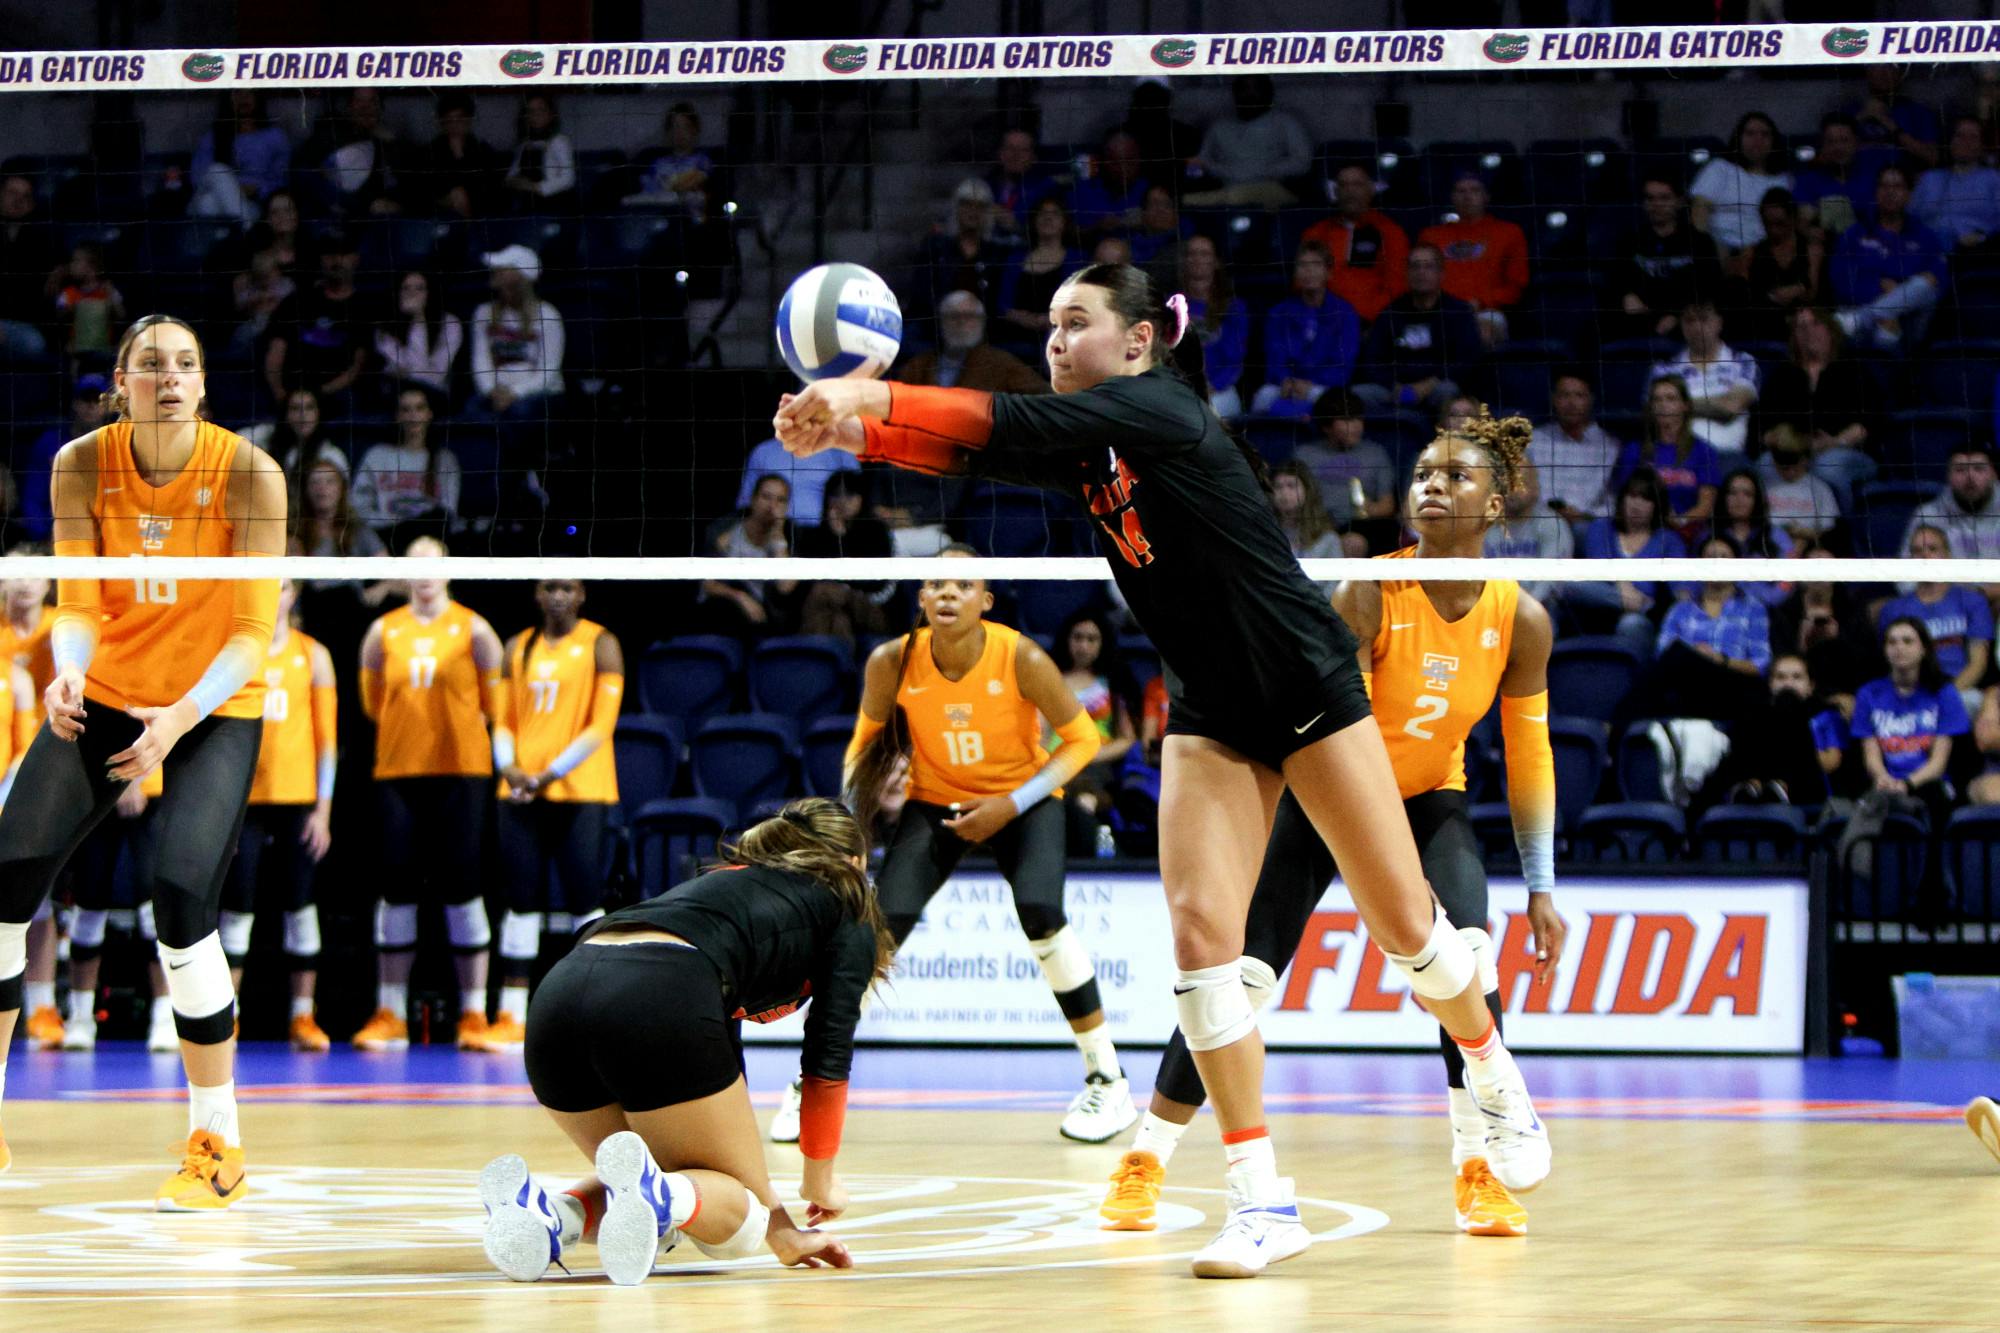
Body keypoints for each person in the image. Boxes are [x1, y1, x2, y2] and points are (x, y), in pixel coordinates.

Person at [773, 261, 1550, 1277]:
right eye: (1047, 323)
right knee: (1199, 950)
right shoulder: (1091, 443)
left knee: (1411, 934)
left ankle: (1491, 1070)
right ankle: (1260, 1199)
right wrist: (850, 433)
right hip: (1210, 704)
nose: (1054, 341)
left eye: (1076, 322)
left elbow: (990, 417)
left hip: (1304, 683)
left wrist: (867, 394)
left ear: (1139, 342)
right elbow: (973, 450)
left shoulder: (1159, 410)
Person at [1099, 410, 1563, 1240]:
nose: (1431, 485)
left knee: (1470, 962)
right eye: (1424, 471)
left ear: (1499, 507)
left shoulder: (1521, 618)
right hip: (1329, 796)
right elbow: (1326, 727)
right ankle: (1146, 1154)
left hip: (1429, 798)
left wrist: (1542, 886)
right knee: (1235, 978)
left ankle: (1477, 1170)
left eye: (1456, 476)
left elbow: (1530, 759)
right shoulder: (1370, 588)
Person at [0, 313, 287, 1203]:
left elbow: (251, 634)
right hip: (113, 692)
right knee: (4, 880)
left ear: (204, 385)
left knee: (179, 895)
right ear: (119, 382)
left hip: (212, 704)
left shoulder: (250, 473)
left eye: (187, 364)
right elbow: (80, 603)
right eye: (151, 364)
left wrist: (177, 719)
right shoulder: (79, 464)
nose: (171, 377)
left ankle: (218, 1140)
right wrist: (69, 676)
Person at [769, 548, 1132, 1145]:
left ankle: (1108, 1080)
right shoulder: (892, 661)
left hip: (1024, 800)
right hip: (935, 799)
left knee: (1043, 915)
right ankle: (811, 1084)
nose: (947, 593)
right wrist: (849, 834)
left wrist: (1009, 806)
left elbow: (1083, 741)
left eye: (964, 585)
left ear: (985, 601)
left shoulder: (1022, 655)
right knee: (873, 932)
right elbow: (863, 748)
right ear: (919, 596)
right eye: (936, 582)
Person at [476, 799, 879, 1284]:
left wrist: (785, 1232)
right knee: (737, 1225)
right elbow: (827, 1057)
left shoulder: (728, 885)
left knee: (671, 1176)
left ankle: (551, 1219)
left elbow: (722, 1047)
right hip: (659, 994)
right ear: (855, 863)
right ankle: (658, 1197)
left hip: (560, 995)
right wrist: (820, 1184)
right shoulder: (846, 904)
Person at [355, 536, 508, 1052]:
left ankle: (473, 1015)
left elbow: (494, 703)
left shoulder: (476, 629)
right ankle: (390, 1011)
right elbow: (374, 702)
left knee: (463, 886)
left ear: (449, 569)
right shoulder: (382, 632)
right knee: (396, 888)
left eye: (432, 563)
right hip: (398, 773)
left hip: (461, 772)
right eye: (414, 564)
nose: (424, 573)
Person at [492, 579, 623, 1049]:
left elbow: (600, 728)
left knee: (584, 900)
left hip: (581, 792)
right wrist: (508, 768)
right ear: (537, 594)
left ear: (583, 594)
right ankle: (511, 1015)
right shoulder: (517, 646)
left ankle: (592, 1011)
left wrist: (546, 775)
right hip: (521, 796)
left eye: (567, 588)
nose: (558, 596)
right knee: (521, 902)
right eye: (549, 588)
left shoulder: (601, 644)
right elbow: (502, 719)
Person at [219, 578, 335, 1051]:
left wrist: (323, 811)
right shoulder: (236, 649)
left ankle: (302, 1018)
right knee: (237, 910)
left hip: (297, 803)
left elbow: (327, 740)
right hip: (244, 804)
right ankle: (227, 1016)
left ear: (295, 593)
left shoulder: (314, 655)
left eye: (284, 585)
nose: (276, 591)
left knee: (300, 908)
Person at [1756, 306, 1878, 510]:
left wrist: (1836, 442)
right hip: (1790, 452)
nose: (1808, 331)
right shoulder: (1782, 376)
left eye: (1815, 324)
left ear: (1830, 330)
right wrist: (1789, 443)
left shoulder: (1853, 370)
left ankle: (1834, 533)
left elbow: (1871, 421)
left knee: (1828, 468)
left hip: (1844, 451)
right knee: (1765, 465)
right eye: (1800, 327)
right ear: (1794, 336)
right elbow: (1762, 426)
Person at [1854, 617, 1967, 833]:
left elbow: (1938, 763)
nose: (1899, 648)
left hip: (1929, 784)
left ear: (1924, 649)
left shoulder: (1944, 692)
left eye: (1907, 641)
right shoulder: (1868, 693)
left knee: (1931, 799)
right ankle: (1860, 867)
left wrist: (1907, 784)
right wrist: (1884, 779)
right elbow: (1871, 754)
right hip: (1885, 784)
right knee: (1872, 801)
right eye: (1892, 642)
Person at [1353, 244, 1482, 417]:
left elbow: (1467, 359)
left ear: (1441, 274)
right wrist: (1395, 386)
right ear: (1407, 273)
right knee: (1357, 395)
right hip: (1395, 388)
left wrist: (1430, 383)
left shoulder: (1458, 311)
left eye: (1428, 267)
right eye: (1415, 266)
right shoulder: (1391, 312)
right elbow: (1373, 360)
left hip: (1437, 386)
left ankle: (1446, 443)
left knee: (1448, 391)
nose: (1421, 272)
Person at [1830, 164, 1947, 351]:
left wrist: (1899, 293)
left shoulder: (1925, 236)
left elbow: (1937, 283)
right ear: (1876, 192)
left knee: (1928, 282)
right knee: (1885, 327)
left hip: (1910, 319)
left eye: (1897, 187)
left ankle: (1862, 319)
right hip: (1860, 307)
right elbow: (1840, 279)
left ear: (1909, 194)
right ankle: (1874, 318)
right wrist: (1878, 286)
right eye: (1884, 186)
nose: (1889, 192)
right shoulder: (1854, 234)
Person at [1576, 467, 1687, 658]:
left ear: (1656, 506)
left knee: (1631, 623)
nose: (1636, 504)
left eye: (1645, 498)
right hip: (1596, 606)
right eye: (1632, 495)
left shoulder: (1668, 540)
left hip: (1642, 618)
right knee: (1565, 585)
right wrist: (1623, 588)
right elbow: (1599, 567)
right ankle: (1641, 604)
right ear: (1622, 498)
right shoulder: (1601, 528)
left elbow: (1683, 588)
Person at [1878, 525, 1990, 714]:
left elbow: (1978, 663)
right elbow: (1889, 664)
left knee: (1973, 702)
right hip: (1910, 690)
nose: (1925, 556)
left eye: (1932, 549)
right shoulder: (1893, 609)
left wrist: (1946, 696)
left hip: (1958, 688)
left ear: (1947, 555)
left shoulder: (1972, 601)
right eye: (1917, 551)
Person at [1250, 241, 1361, 418]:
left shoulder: (1345, 313)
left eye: (1316, 265)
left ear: (1328, 272)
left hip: (1324, 387)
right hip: (1285, 385)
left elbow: (1343, 365)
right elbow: (1274, 357)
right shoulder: (1279, 313)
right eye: (1303, 265)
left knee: (1332, 404)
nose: (1309, 271)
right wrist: (1287, 381)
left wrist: (1310, 384)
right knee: (1263, 398)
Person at [1418, 173, 1530, 345]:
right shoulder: (1432, 235)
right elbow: (1417, 278)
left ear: (1486, 196)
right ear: (1452, 197)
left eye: (1474, 190)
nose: (1467, 196)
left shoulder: (1508, 233)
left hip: (1486, 311)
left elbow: (1516, 285)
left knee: (1478, 333)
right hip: (1437, 311)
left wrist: (1479, 302)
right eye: (1460, 191)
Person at [1610, 175, 1723, 340]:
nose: (1657, 205)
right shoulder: (1629, 242)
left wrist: (1678, 315)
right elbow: (1616, 280)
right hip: (1638, 321)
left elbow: (1709, 288)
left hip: (1686, 322)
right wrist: (1626, 295)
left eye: (1664, 198)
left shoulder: (1700, 242)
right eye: (1650, 198)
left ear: (1679, 201)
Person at [263, 232, 368, 408]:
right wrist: (280, 394)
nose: (337, 261)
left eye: (343, 254)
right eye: (330, 255)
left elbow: (357, 367)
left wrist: (317, 396)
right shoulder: (296, 301)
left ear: (355, 258)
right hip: (290, 395)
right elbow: (275, 353)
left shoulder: (364, 308)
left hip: (338, 396)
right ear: (322, 259)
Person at [1649, 298, 1760, 459]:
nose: (1697, 327)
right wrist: (1715, 403)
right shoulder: (1664, 369)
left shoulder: (1743, 362)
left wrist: (1677, 404)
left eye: (1703, 319)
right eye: (1690, 320)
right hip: (1679, 458)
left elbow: (1730, 407)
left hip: (1729, 458)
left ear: (1719, 322)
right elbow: (1655, 413)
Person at [1183, 74, 1315, 209]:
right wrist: (1204, 170)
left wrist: (1262, 170)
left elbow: (1303, 163)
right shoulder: (1219, 126)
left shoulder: (1286, 122)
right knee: (1187, 200)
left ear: (1268, 93)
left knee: (1237, 196)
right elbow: (1197, 164)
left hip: (1271, 188)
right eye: (1244, 89)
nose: (1249, 94)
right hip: (1227, 189)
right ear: (1235, 93)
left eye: (1256, 89)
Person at [351, 386, 462, 543]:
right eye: (406, 409)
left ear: (429, 414)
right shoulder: (377, 455)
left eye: (419, 408)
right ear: (397, 416)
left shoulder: (445, 461)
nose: (413, 415)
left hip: (427, 539)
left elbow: (447, 513)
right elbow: (358, 506)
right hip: (385, 536)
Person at [1292, 387, 1396, 553]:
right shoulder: (1305, 455)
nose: (1355, 426)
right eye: (1347, 420)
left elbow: (1387, 505)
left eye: (1358, 419)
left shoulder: (1375, 453)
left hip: (1363, 526)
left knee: (1353, 542)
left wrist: (1367, 510)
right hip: (1315, 525)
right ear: (1327, 426)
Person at [1302, 163, 1410, 322]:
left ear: (1371, 190)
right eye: (1343, 185)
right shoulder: (1316, 233)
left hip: (1374, 322)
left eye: (1357, 184)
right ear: (1336, 192)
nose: (1350, 191)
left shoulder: (1390, 232)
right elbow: (1302, 283)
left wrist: (1367, 318)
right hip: (1324, 321)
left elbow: (1398, 286)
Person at [470, 245, 566, 416]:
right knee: (471, 412)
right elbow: (480, 361)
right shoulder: (483, 312)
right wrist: (491, 391)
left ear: (519, 276)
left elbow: (548, 371)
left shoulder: (548, 315)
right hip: (496, 393)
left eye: (502, 268)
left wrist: (515, 393)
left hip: (537, 394)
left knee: (519, 413)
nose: (494, 270)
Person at [1616, 376, 1718, 532]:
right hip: (1643, 530)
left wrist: (1679, 522)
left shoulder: (1704, 451)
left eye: (1671, 399)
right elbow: (1624, 500)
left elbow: (1705, 505)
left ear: (1685, 406)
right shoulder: (1634, 450)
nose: (1663, 405)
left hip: (1687, 531)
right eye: (1657, 400)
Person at [902, 292, 1048, 397]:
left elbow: (1043, 396)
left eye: (970, 316)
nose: (962, 323)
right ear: (941, 322)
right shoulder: (918, 366)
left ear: (982, 322)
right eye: (953, 316)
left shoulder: (1002, 364)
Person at [699, 473, 793, 636]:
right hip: (724, 608)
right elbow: (708, 585)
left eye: (780, 500)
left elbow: (785, 587)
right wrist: (739, 597)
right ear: (753, 499)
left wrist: (778, 539)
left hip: (764, 619)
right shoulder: (725, 533)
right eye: (766, 497)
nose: (772, 506)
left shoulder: (790, 536)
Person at [1690, 111, 1791, 258]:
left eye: (1765, 134)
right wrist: (1705, 248)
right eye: (1750, 134)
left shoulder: (1783, 180)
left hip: (1763, 252)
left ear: (1773, 141)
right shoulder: (1719, 168)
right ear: (1739, 138)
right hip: (1719, 248)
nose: (1758, 139)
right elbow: (1699, 209)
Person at [1169, 236, 1249, 422]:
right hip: (1180, 389)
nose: (1197, 259)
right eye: (1192, 254)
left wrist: (1211, 386)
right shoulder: (1171, 304)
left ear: (1216, 262)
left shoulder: (1234, 307)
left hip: (1219, 390)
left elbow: (1236, 360)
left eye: (1204, 254)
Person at [1528, 370, 1619, 527]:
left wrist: (1585, 516)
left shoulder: (1609, 447)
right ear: (1554, 399)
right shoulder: (1534, 441)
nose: (1571, 403)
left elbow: (1615, 501)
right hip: (1539, 522)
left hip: (1586, 524)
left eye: (1579, 396)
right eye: (1564, 395)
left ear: (1591, 400)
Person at [189, 90, 290, 228]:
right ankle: (248, 237)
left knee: (208, 204)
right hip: (214, 194)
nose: (243, 98)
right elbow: (198, 177)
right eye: (237, 93)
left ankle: (238, 239)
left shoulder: (274, 137)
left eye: (248, 93)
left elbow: (281, 179)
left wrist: (257, 189)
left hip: (252, 203)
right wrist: (233, 187)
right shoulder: (213, 137)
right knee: (217, 171)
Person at [995, 197, 1083, 350]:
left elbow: (1078, 305)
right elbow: (1002, 305)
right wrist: (1020, 318)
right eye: (1042, 214)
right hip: (1012, 339)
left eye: (1055, 214)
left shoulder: (1076, 260)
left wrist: (1049, 320)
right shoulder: (1015, 259)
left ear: (1064, 222)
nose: (1048, 218)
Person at [918, 180, 1010, 318]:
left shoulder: (997, 253)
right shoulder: (935, 247)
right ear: (956, 208)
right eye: (967, 204)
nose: (973, 211)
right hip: (938, 325)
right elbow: (923, 295)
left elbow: (997, 303)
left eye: (980, 206)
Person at [1745, 188, 1822, 343]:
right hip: (1765, 321)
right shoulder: (1754, 252)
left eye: (1780, 224)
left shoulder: (1810, 249)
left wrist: (1795, 291)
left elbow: (1812, 292)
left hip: (1803, 319)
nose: (1773, 230)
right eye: (1768, 224)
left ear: (1793, 219)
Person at [1911, 116, 2000, 252]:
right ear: (1951, 141)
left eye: (1973, 137)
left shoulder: (1993, 179)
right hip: (1927, 250)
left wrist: (1982, 237)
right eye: (1960, 136)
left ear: (1982, 145)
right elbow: (1909, 217)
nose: (1966, 142)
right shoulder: (1929, 179)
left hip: (1975, 252)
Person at [374, 270, 464, 402]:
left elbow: (436, 375)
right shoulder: (384, 329)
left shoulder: (450, 324)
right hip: (396, 396)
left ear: (429, 293)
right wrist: (415, 320)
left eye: (419, 288)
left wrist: (418, 317)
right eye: (406, 288)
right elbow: (405, 373)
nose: (412, 293)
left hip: (436, 395)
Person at [1707, 467, 1793, 605]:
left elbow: (1789, 577)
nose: (1739, 499)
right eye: (1732, 493)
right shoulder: (1708, 537)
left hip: (1770, 609)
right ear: (1723, 497)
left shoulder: (1777, 537)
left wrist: (1771, 600)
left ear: (1757, 500)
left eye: (1747, 494)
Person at [1902, 445, 2000, 564]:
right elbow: (1906, 578)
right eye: (1960, 470)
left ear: (1994, 475)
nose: (1970, 477)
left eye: (1979, 468)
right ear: (1948, 476)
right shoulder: (1928, 516)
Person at [416, 91, 502, 220]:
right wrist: (446, 199)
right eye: (449, 120)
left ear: (469, 120)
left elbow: (492, 189)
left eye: (460, 119)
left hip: (479, 218)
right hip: (440, 218)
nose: (455, 125)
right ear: (441, 122)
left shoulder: (483, 151)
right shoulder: (429, 152)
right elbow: (422, 191)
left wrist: (467, 197)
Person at [0, 174, 55, 362]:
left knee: (33, 344)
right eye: (12, 193)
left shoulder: (43, 237)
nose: (18, 201)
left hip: (23, 325)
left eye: (25, 196)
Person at [1757, 423, 1843, 543]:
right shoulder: (1764, 485)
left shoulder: (1820, 489)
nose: (1790, 470)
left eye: (1794, 462)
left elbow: (1829, 530)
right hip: (1769, 545)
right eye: (1783, 464)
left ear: (1805, 459)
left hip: (1809, 546)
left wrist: (1804, 534)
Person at [1792, 113, 1867, 239]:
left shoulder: (1872, 178)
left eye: (1844, 140)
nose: (1838, 147)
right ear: (1822, 145)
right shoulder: (1807, 181)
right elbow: (1801, 225)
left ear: (1857, 143)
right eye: (1831, 141)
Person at [631, 102, 712, 211]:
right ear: (668, 132)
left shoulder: (702, 161)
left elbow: (694, 182)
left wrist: (670, 186)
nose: (680, 133)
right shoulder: (658, 163)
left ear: (695, 130)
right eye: (675, 127)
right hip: (657, 211)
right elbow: (647, 188)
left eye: (685, 127)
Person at [503, 93, 577, 212]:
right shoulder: (524, 144)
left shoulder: (559, 141)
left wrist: (536, 187)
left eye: (540, 110)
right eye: (530, 111)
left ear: (550, 114)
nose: (535, 115)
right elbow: (511, 175)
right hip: (528, 200)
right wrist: (516, 183)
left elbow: (568, 179)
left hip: (555, 200)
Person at [1271, 461, 1343, 560]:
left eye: (1291, 486)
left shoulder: (1327, 538)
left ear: (1307, 490)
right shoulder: (1265, 531)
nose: (1284, 493)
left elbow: (1336, 573)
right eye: (1278, 487)